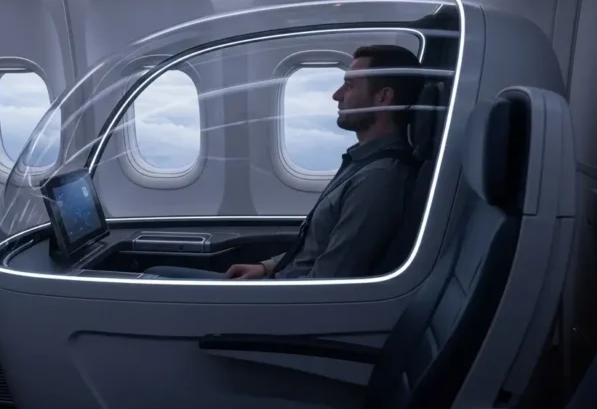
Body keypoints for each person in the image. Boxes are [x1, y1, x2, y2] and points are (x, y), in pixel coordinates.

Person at [145, 44, 424, 280]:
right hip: (280, 287)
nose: (337, 95)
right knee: (156, 275)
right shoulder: (361, 162)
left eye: (349, 86)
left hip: (286, 304)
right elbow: (316, 245)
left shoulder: (378, 179)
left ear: (383, 97)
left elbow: (330, 284)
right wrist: (266, 267)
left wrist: (269, 289)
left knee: (154, 280)